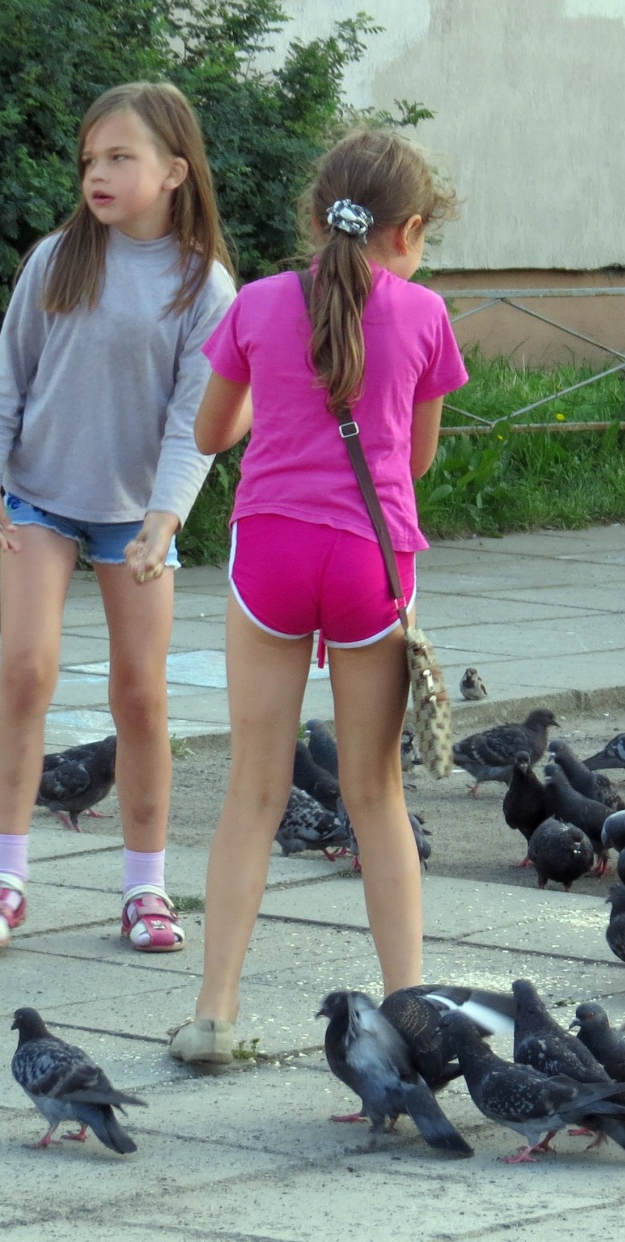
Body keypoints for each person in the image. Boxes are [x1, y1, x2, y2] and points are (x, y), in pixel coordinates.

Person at [169, 129, 465, 1068]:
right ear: (408, 231)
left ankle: (214, 1012)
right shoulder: (425, 314)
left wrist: (279, 399)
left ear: (314, 212)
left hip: (272, 550)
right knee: (374, 794)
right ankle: (408, 1009)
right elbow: (416, 459)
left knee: (253, 788)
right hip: (372, 558)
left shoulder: (257, 302)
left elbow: (211, 431)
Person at [0, 81, 236, 953]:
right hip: (38, 497)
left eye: (120, 157)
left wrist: (167, 515)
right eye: (89, 159)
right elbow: (6, 377)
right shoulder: (57, 259)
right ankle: (4, 879)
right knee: (25, 671)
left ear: (175, 172)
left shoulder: (205, 283)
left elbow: (197, 418)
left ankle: (146, 889)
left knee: (141, 696)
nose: (98, 174)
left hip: (137, 517)